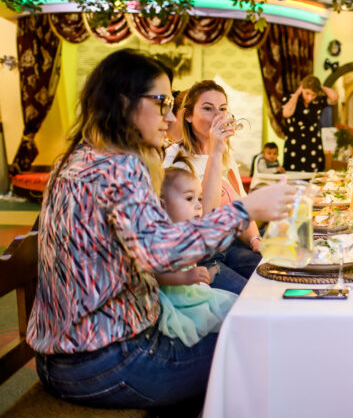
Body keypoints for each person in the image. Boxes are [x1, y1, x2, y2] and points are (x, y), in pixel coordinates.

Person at [27, 49, 295, 411]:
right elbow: (164, 253)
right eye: (163, 103)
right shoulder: (120, 167)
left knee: (241, 323)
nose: (170, 118)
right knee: (261, 343)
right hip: (111, 359)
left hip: (59, 359)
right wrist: (246, 208)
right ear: (125, 102)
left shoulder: (74, 159)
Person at [164, 80, 263, 294]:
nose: (218, 116)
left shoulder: (226, 154)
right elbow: (206, 221)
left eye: (222, 109)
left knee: (273, 275)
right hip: (200, 256)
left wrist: (255, 239)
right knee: (249, 295)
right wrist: (215, 150)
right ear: (188, 116)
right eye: (208, 109)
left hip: (231, 244)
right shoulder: (175, 160)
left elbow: (240, 206)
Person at [154, 167, 238, 348]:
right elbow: (159, 275)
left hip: (192, 293)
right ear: (163, 205)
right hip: (178, 302)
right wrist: (186, 277)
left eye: (199, 199)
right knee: (223, 319)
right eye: (189, 198)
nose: (199, 205)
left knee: (235, 307)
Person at [281, 75, 338, 172]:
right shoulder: (291, 98)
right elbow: (286, 113)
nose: (310, 97)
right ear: (302, 89)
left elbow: (334, 97)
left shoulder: (318, 101)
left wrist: (320, 87)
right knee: (292, 175)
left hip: (313, 144)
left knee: (314, 176)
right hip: (294, 145)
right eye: (307, 93)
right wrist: (297, 93)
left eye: (313, 94)